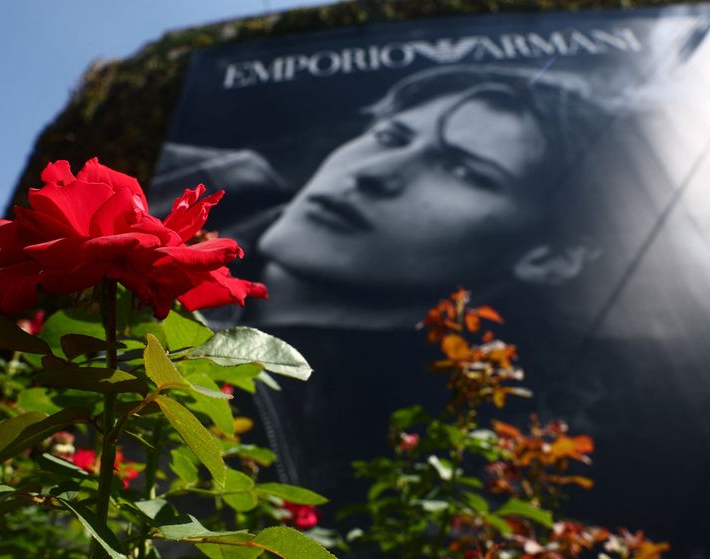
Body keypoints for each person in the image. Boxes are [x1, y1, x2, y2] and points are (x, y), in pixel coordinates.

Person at [151, 64, 710, 557]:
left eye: (464, 171)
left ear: (552, 255)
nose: (374, 172)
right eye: (390, 135)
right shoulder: (155, 201)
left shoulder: (428, 456)